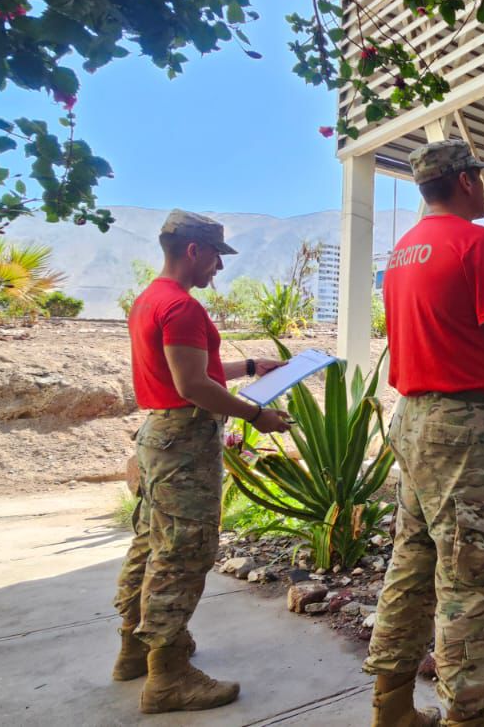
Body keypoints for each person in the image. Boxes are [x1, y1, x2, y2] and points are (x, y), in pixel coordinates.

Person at [366, 140, 484, 727]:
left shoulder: (402, 251)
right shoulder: (477, 243)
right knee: (473, 577)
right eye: (480, 178)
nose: (483, 188)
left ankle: (390, 708)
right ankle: (465, 716)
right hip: (464, 425)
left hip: (411, 420)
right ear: (464, 182)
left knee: (411, 562)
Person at [116, 210, 292, 714]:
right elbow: (192, 386)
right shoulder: (183, 308)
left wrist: (254, 367)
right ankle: (168, 677)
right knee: (182, 553)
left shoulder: (151, 300)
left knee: (151, 543)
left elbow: (191, 368)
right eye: (216, 256)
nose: (218, 267)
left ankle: (135, 648)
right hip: (185, 442)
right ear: (194, 250)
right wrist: (257, 414)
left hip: (159, 436)